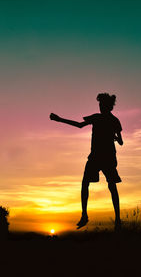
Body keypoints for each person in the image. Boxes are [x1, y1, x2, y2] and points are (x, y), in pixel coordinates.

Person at [50, 93, 123, 229]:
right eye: (100, 105)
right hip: (100, 157)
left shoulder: (106, 120)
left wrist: (59, 120)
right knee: (100, 185)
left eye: (102, 105)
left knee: (107, 186)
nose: (100, 107)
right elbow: (121, 141)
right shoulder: (111, 120)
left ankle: (112, 219)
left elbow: (79, 125)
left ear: (108, 107)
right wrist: (60, 120)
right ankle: (90, 216)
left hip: (103, 157)